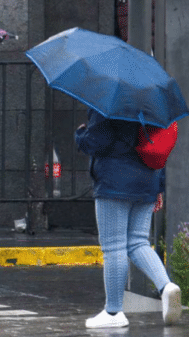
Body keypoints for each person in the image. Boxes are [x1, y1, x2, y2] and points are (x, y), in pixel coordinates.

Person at [75, 109, 181, 328]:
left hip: (115, 182)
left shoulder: (109, 102)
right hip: (148, 180)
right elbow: (159, 144)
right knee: (138, 242)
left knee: (114, 247)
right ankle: (167, 287)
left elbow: (97, 142)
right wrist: (158, 188)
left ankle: (113, 312)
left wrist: (80, 135)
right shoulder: (153, 103)